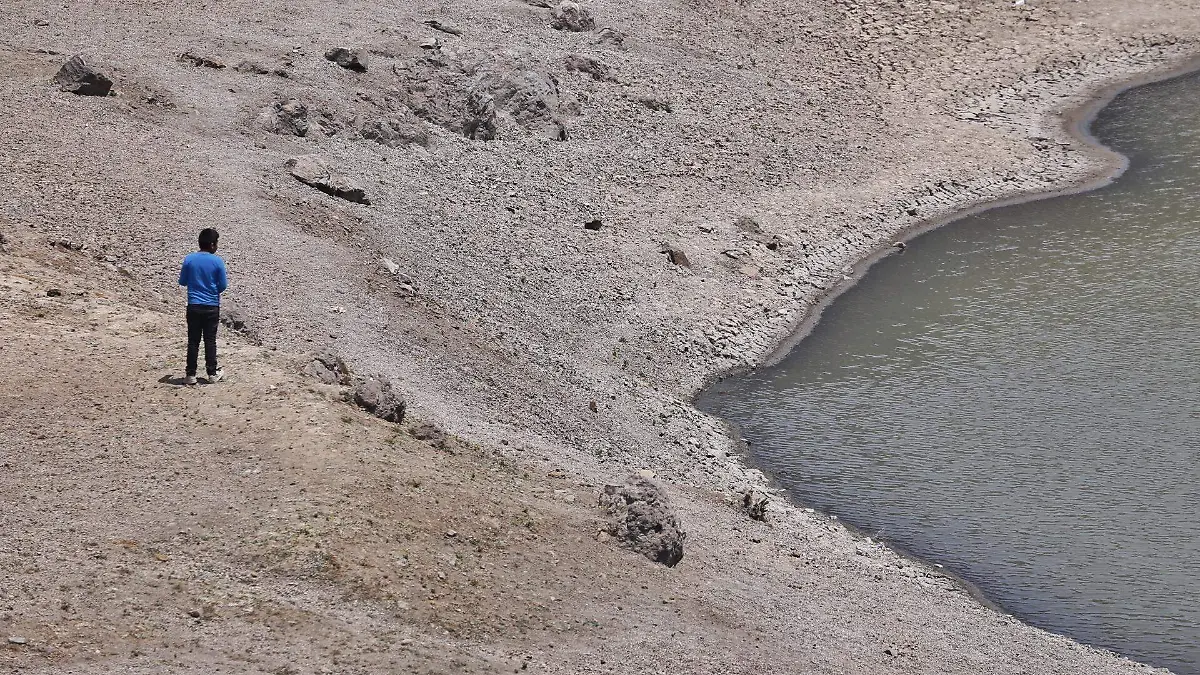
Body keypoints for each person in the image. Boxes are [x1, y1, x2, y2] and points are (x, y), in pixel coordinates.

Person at [178, 228, 228, 384]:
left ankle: (190, 375)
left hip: (194, 305)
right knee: (210, 340)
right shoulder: (217, 261)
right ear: (212, 244)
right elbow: (223, 285)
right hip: (211, 305)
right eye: (216, 243)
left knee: (193, 340)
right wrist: (211, 291)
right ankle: (212, 373)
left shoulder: (189, 259)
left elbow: (182, 281)